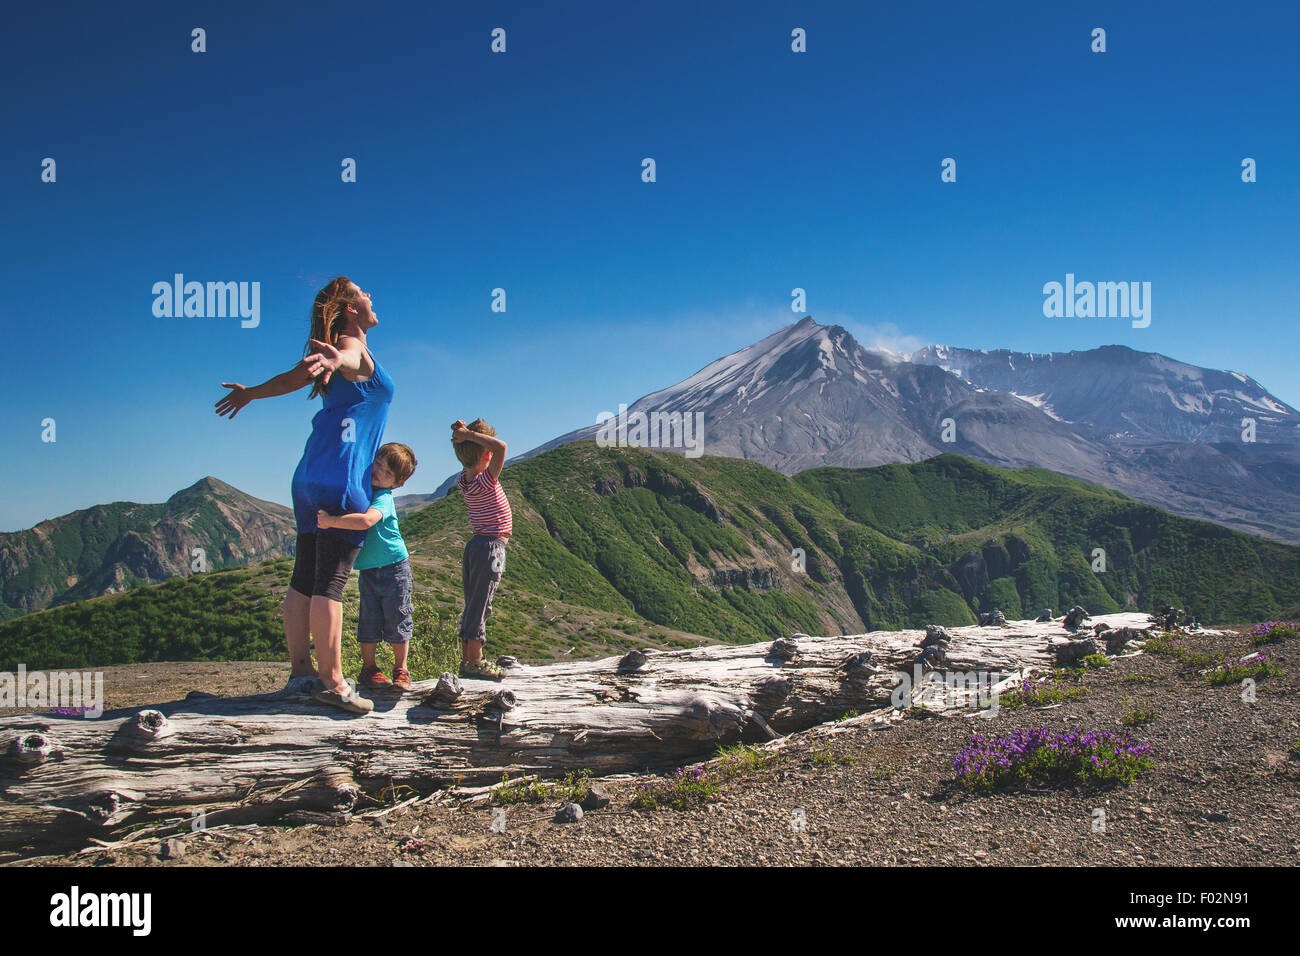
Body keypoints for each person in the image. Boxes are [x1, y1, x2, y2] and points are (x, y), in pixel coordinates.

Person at [215, 276, 393, 714]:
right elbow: (352, 360)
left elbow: (288, 381)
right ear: (350, 309)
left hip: (308, 475)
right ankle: (332, 682)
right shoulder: (354, 348)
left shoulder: (328, 354)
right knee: (330, 582)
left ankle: (301, 671)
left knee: (304, 577)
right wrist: (342, 358)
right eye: (362, 292)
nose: (370, 295)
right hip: (342, 477)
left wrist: (250, 394)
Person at [316, 442, 418, 691]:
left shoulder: (382, 498)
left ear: (397, 483)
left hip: (394, 567)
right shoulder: (366, 490)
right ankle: (369, 669)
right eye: (378, 465)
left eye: (387, 473)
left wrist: (331, 522)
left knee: (398, 617)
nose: (378, 473)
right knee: (369, 620)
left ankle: (401, 669)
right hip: (370, 570)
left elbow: (365, 521)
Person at [450, 419, 512, 681]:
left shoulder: (465, 480)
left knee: (474, 601)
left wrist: (464, 436)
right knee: (481, 602)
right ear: (486, 456)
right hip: (492, 547)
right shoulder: (486, 480)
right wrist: (470, 434)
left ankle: (468, 658)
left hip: (476, 545)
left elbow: (486, 451)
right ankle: (474, 660)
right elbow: (501, 447)